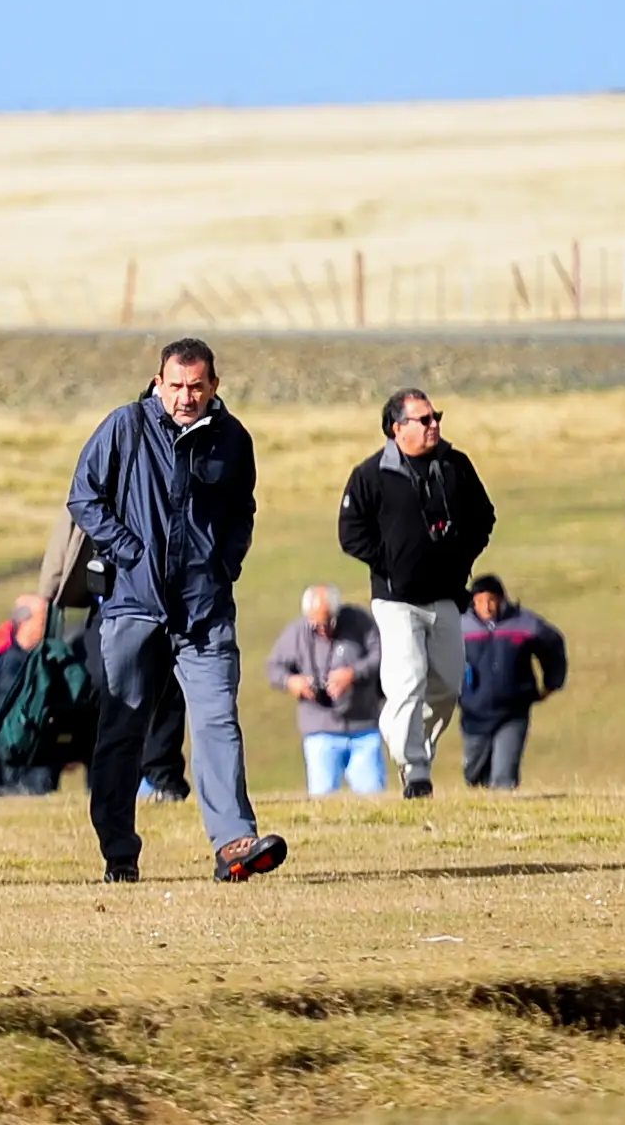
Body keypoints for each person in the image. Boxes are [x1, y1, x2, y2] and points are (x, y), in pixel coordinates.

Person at [63, 338, 287, 885]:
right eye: (176, 386)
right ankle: (118, 850)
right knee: (122, 731)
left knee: (217, 722)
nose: (185, 397)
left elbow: (242, 511)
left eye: (196, 387)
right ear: (158, 382)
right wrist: (130, 552)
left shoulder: (232, 439)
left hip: (204, 610)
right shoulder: (124, 427)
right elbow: (84, 497)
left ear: (214, 386)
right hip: (133, 607)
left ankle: (235, 842)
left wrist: (224, 564)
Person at [337, 388, 497, 802]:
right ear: (397, 428)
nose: (434, 425)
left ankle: (405, 739)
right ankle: (416, 771)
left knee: (445, 687)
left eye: (435, 417)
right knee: (407, 681)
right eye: (423, 420)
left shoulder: (455, 466)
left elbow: (484, 516)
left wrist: (460, 557)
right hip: (395, 600)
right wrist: (391, 563)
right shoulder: (370, 475)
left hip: (446, 596)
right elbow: (351, 533)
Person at [267, 584, 384, 798]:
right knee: (323, 800)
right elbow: (273, 668)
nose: (323, 630)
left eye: (328, 622)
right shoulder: (296, 633)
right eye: (317, 624)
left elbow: (379, 655)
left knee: (374, 798)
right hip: (320, 731)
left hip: (363, 729)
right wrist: (292, 682)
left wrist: (352, 674)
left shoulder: (360, 622)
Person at [458, 574, 567, 792]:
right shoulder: (460, 626)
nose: (486, 606)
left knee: (504, 775)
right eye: (480, 601)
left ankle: (503, 814)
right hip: (473, 712)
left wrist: (551, 682)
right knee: (474, 775)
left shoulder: (524, 623)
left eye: (491, 600)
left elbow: (553, 643)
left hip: (513, 710)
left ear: (501, 599)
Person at [0, 593, 66, 796]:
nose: (46, 628)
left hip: (40, 759)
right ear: (23, 622)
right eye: (42, 621)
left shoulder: (52, 658)